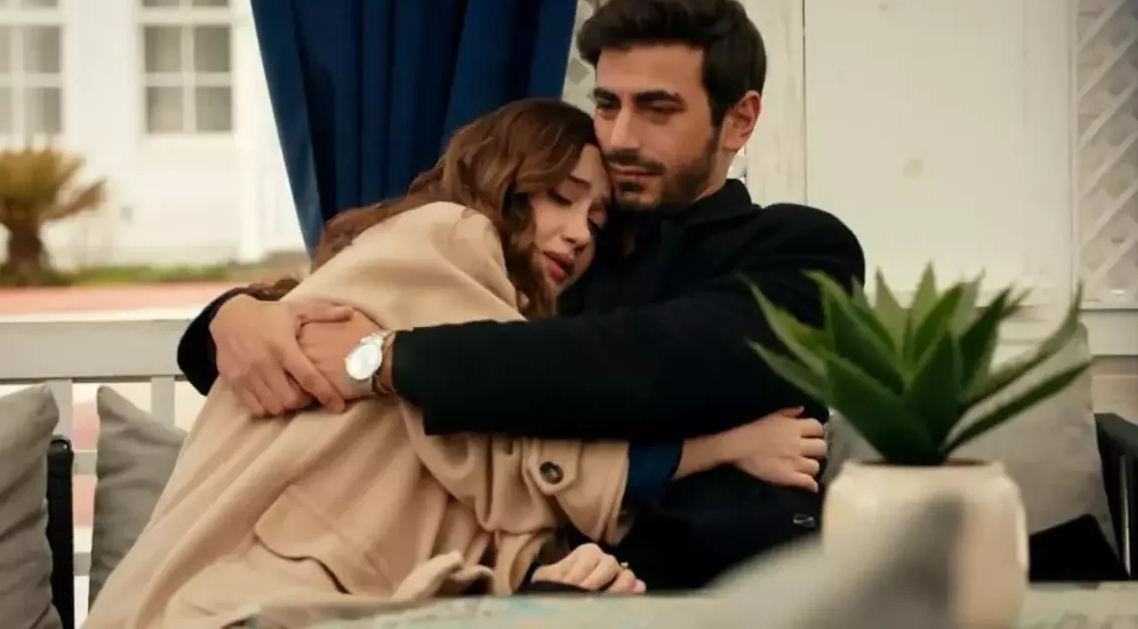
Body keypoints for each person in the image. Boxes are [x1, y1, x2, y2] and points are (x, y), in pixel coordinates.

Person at [178, 0, 865, 590]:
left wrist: (387, 359)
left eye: (657, 109)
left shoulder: (799, 249)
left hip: (720, 593)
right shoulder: (554, 252)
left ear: (739, 120)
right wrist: (232, 319)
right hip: (512, 586)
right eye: (608, 105)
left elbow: (646, 364)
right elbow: (364, 306)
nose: (621, 136)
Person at [86, 99, 827, 629]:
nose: (578, 234)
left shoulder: (456, 286)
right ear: (503, 179)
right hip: (249, 597)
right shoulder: (452, 235)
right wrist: (727, 446)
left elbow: (470, 466)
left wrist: (545, 573)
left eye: (596, 220)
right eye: (559, 199)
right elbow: (526, 460)